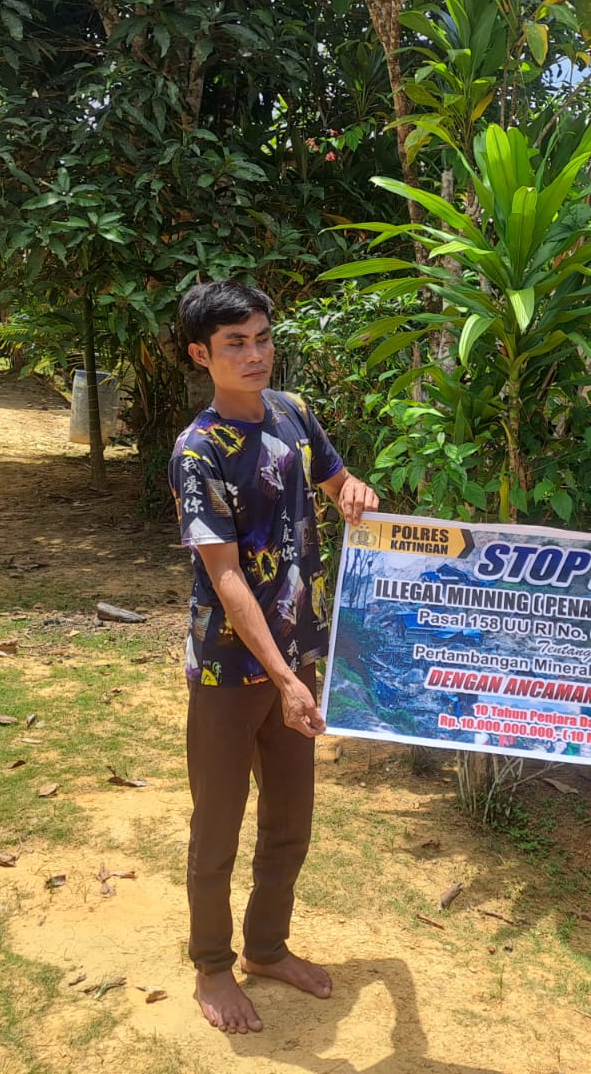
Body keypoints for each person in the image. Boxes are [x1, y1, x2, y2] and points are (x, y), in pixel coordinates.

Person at [170, 280, 379, 1035]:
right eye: (235, 344)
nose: (255, 354)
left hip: (299, 657)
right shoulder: (197, 454)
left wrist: (354, 491)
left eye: (261, 337)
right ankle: (212, 967)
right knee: (218, 826)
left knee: (290, 820)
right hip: (232, 670)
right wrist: (284, 678)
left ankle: (266, 947)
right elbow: (225, 576)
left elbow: (334, 477)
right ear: (202, 354)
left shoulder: (291, 412)